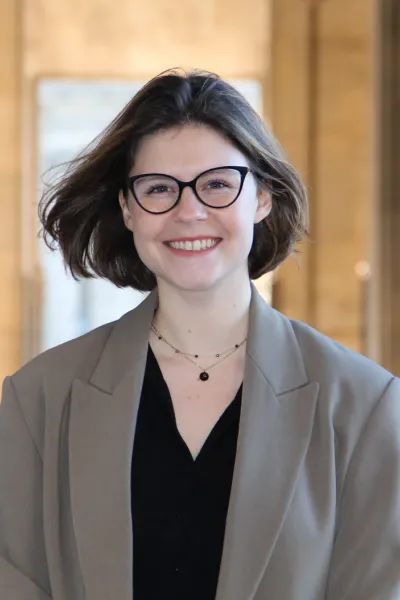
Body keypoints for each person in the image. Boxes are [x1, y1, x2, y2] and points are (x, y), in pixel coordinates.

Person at [0, 68, 399, 600]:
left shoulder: (365, 405)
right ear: (127, 209)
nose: (189, 212)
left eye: (217, 184)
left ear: (262, 197)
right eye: (159, 188)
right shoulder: (39, 398)